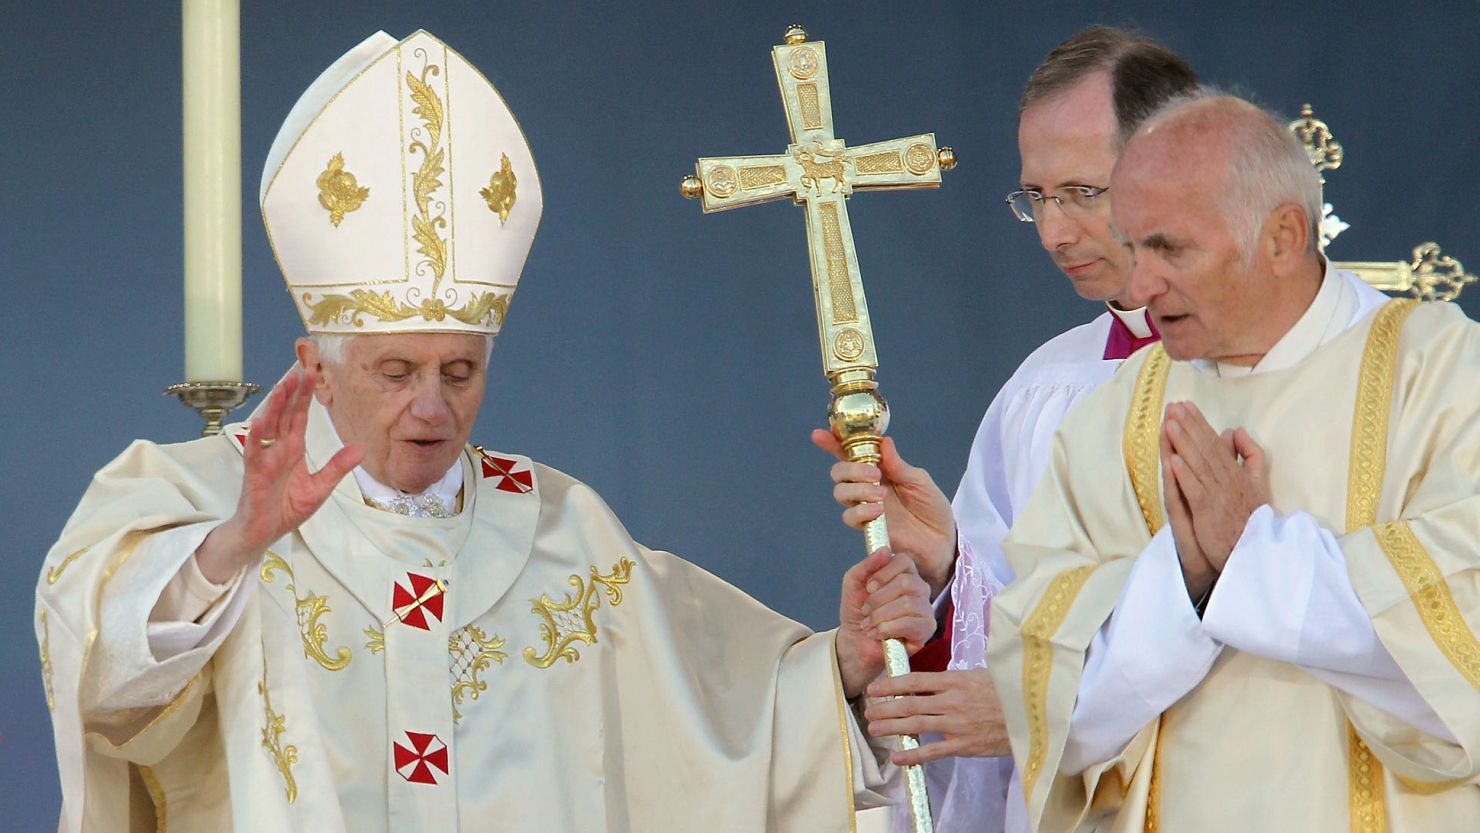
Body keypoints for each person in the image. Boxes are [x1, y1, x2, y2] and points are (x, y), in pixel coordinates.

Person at [35, 30, 937, 832]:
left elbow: (726, 729)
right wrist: (231, 547)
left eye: (459, 371)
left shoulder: (562, 530)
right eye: (397, 372)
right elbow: (105, 689)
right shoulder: (192, 493)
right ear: (315, 366)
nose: (433, 407)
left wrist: (844, 673)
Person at [987, 90, 1480, 832]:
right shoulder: (1116, 416)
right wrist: (1182, 581)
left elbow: (1464, 639)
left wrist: (1255, 555)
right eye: (1131, 245)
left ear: (1283, 236)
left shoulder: (1443, 375)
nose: (1141, 287)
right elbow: (1050, 704)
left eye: (1169, 248)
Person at [813, 27, 1197, 833]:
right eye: (1038, 197)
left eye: (1082, 193)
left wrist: (1042, 709)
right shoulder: (1045, 386)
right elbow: (1012, 648)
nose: (1054, 233)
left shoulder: (1281, 372)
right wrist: (948, 570)